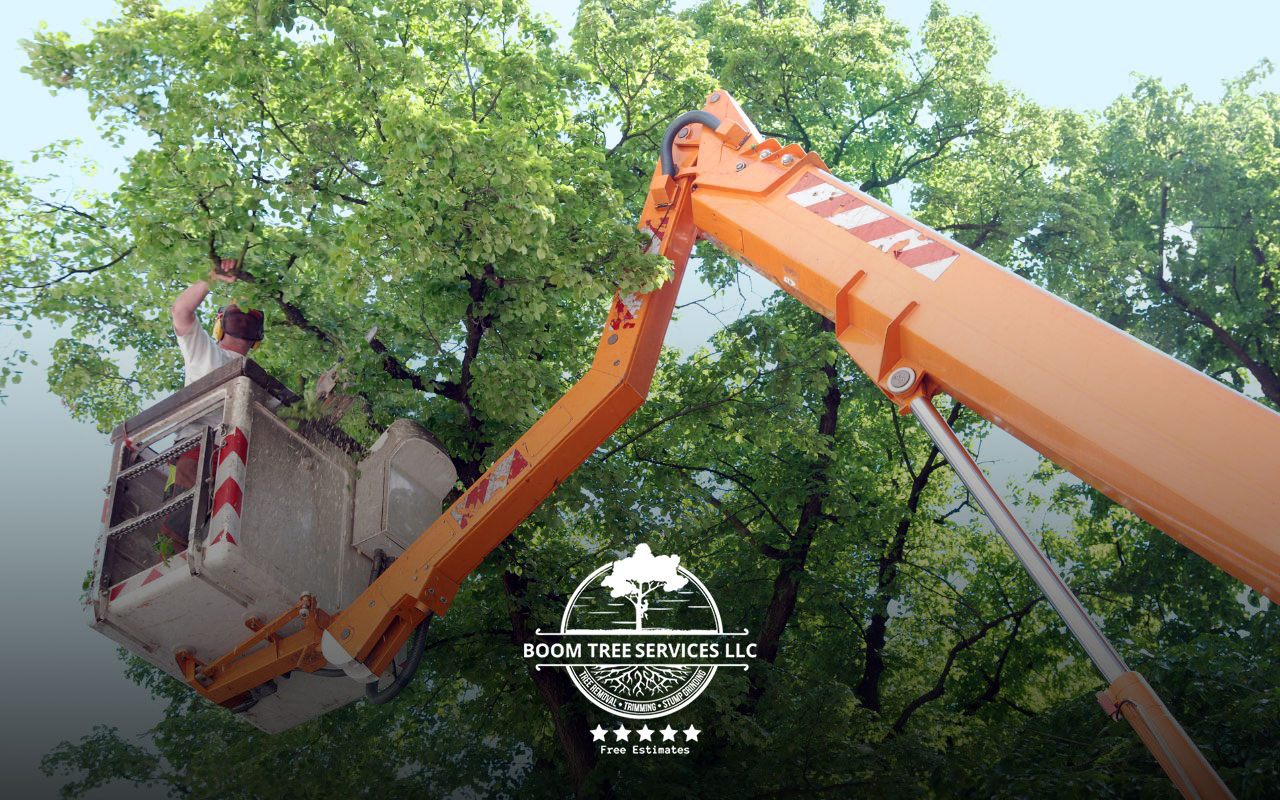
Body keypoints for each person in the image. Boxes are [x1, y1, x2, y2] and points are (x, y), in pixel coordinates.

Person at [159, 258, 265, 549]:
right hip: (198, 446)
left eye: (249, 319)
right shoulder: (203, 350)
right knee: (183, 519)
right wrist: (211, 276)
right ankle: (173, 553)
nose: (242, 321)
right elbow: (181, 311)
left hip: (238, 457)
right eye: (235, 316)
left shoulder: (261, 384)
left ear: (257, 337)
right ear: (220, 324)